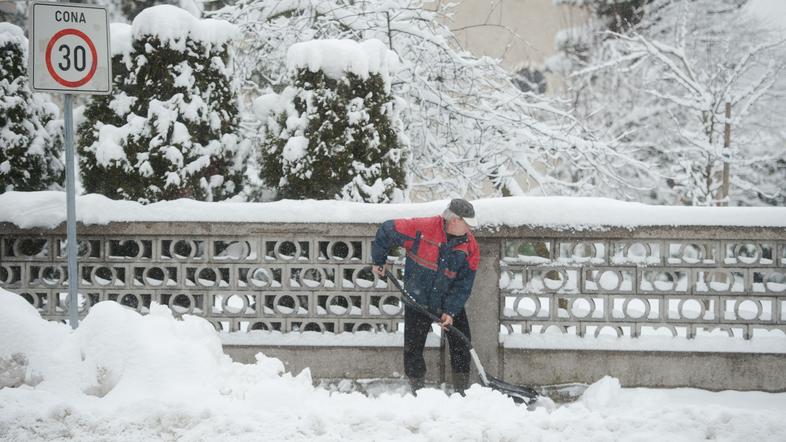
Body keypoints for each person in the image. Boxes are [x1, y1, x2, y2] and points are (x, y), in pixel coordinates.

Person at [371, 198, 480, 395]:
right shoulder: (421, 228)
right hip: (417, 301)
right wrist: (379, 260)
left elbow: (464, 284)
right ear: (454, 220)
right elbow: (388, 230)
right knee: (413, 349)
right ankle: (418, 391)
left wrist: (450, 311)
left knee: (461, 345)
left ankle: (462, 392)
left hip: (446, 302)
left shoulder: (470, 246)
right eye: (467, 224)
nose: (470, 230)